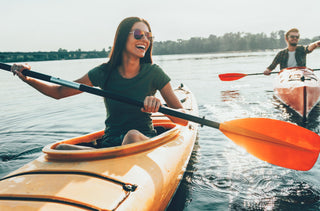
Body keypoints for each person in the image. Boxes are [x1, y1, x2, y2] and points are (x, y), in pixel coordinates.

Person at [11, 17, 188, 149]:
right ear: (122, 38)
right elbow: (58, 92)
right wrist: (27, 77)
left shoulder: (154, 73)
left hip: (141, 140)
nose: (145, 39)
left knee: (132, 136)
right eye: (138, 34)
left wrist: (160, 106)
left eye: (148, 36)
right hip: (110, 144)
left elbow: (183, 119)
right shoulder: (103, 72)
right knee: (60, 148)